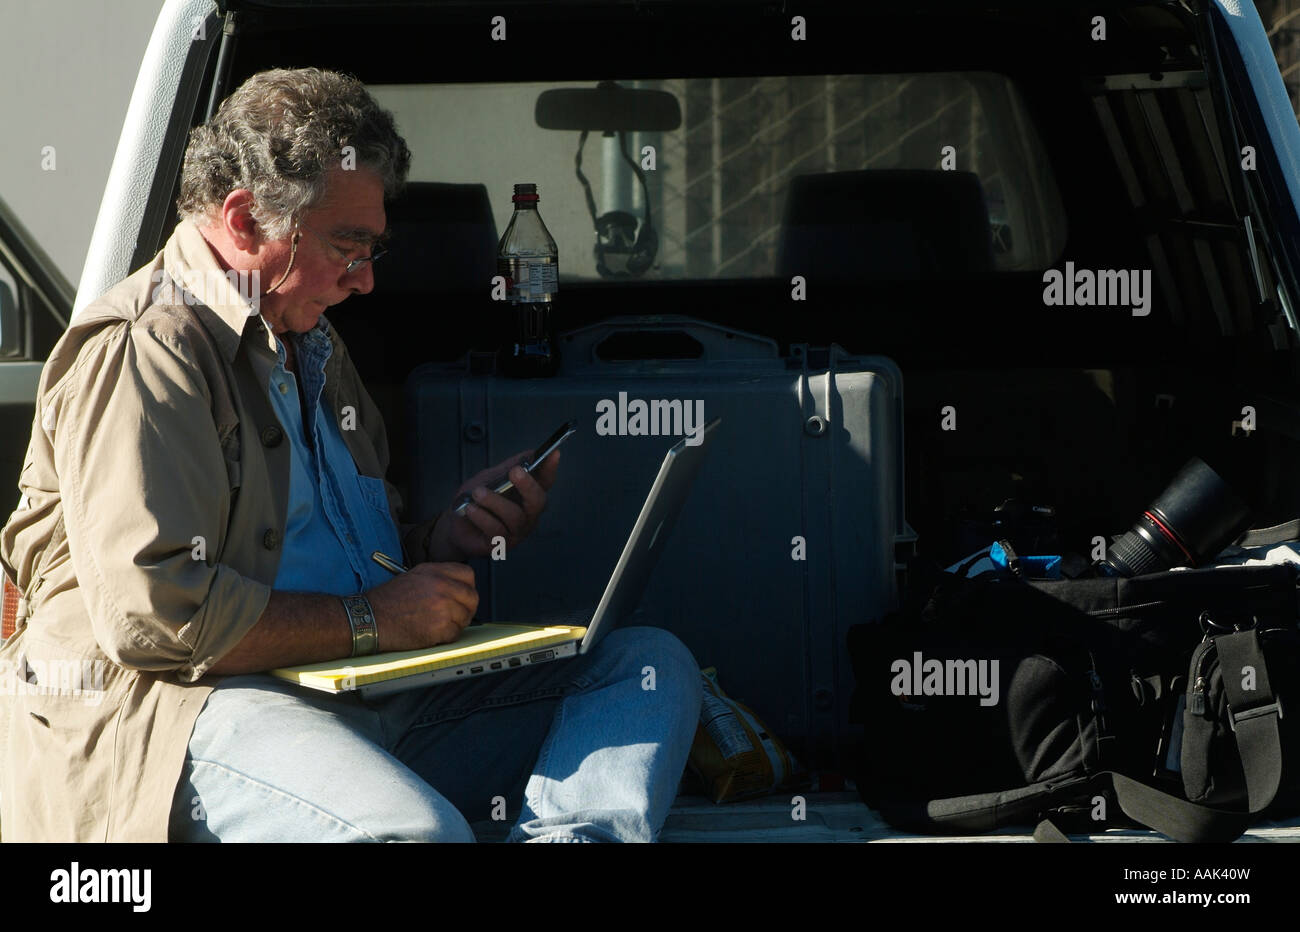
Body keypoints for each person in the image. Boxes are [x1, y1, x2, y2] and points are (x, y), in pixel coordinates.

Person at [0, 67, 702, 842]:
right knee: (412, 834)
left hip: (368, 699)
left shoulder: (312, 341)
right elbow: (157, 616)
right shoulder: (149, 346)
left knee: (645, 665)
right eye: (348, 246)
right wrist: (374, 620)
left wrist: (440, 541)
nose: (365, 281)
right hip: (193, 710)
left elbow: (329, 556)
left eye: (375, 249)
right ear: (243, 222)